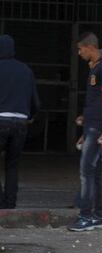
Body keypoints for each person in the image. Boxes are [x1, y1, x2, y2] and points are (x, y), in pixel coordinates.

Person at [68, 32, 102, 231]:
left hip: (98, 129)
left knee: (86, 172)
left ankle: (86, 216)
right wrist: (85, 120)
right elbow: (96, 102)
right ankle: (100, 216)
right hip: (92, 126)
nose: (79, 53)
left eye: (80, 49)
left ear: (89, 47)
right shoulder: (94, 68)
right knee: (96, 173)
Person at [0, 35, 40, 209]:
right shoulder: (26, 70)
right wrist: (30, 116)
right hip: (21, 122)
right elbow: (35, 101)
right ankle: (10, 202)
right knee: (12, 164)